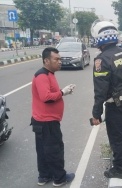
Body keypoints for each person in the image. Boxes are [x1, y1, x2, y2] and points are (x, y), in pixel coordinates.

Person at [90, 20, 122, 179]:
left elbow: (100, 91)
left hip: (116, 104)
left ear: (99, 38)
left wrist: (96, 113)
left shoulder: (101, 60)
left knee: (116, 136)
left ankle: (119, 169)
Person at [31, 47, 75, 186]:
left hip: (42, 121)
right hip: (47, 122)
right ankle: (59, 178)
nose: (60, 62)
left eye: (60, 59)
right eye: (56, 59)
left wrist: (63, 92)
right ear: (46, 60)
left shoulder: (49, 74)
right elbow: (46, 98)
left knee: (44, 150)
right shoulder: (42, 76)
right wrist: (63, 92)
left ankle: (44, 176)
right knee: (54, 150)